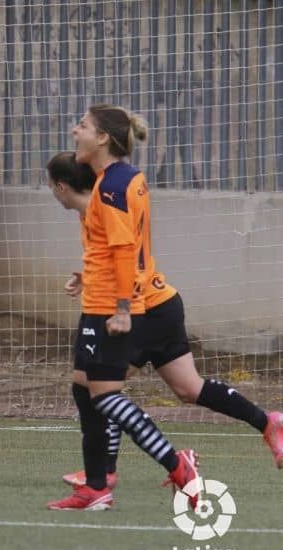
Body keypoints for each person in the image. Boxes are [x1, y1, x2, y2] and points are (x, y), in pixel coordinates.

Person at [46, 151, 283, 489]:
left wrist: (121, 308)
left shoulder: (106, 205)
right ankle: (268, 422)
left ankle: (106, 472)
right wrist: (88, 276)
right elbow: (114, 257)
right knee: (189, 388)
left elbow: (127, 258)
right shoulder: (93, 210)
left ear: (62, 187)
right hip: (163, 304)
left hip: (142, 309)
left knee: (97, 387)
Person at [46, 105, 199, 511]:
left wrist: (123, 309)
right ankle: (97, 484)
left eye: (82, 125)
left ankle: (175, 464)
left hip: (108, 307)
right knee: (85, 388)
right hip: (100, 300)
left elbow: (123, 251)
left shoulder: (113, 186)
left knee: (105, 396)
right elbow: (108, 248)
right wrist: (87, 276)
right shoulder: (114, 180)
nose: (75, 130)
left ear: (102, 138)